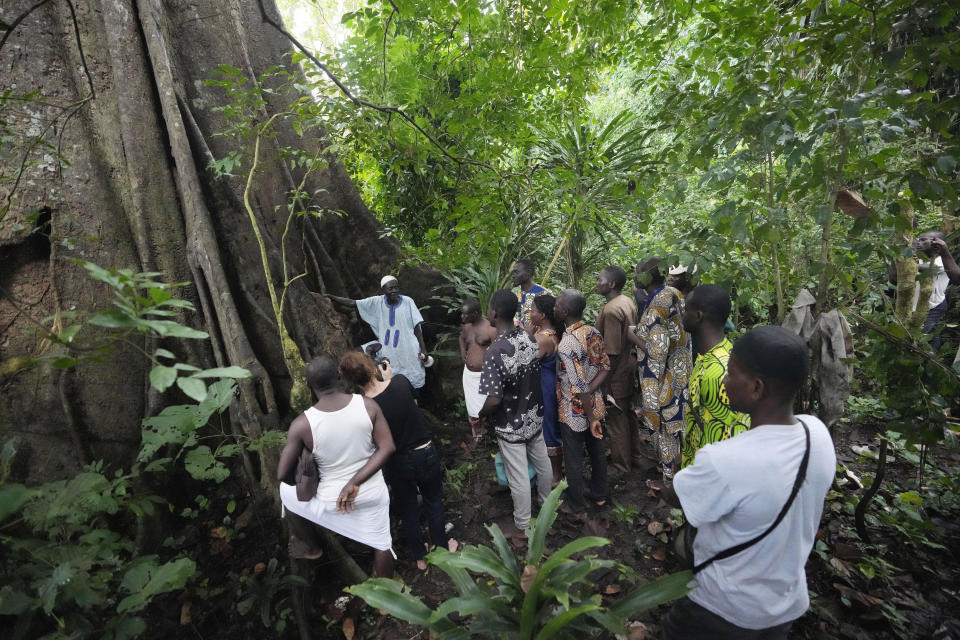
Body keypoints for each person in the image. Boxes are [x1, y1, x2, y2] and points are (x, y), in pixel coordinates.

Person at [662, 326, 836, 639]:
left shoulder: (724, 459)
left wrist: (674, 476)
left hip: (720, 611)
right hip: (783, 609)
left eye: (731, 373)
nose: (725, 381)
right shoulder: (817, 434)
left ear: (756, 387)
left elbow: (677, 495)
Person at [277, 356, 395, 579]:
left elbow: (282, 475)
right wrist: (354, 483)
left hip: (331, 500)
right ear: (339, 376)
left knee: (285, 493)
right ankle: (385, 598)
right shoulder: (368, 405)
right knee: (382, 542)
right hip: (370, 492)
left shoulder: (302, 424)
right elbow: (387, 447)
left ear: (309, 386)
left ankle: (312, 547)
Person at [338, 352, 457, 571]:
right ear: (372, 367)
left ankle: (420, 557)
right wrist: (389, 378)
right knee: (434, 501)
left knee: (408, 509)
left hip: (397, 461)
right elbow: (412, 405)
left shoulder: (363, 407)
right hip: (425, 451)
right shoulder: (401, 382)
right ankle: (441, 549)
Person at [479, 289, 553, 541]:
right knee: (542, 460)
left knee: (518, 474)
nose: (487, 311)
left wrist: (481, 414)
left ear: (495, 313)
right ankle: (547, 505)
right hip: (534, 414)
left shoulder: (495, 352)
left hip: (511, 423)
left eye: (488, 307)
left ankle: (523, 524)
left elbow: (494, 398)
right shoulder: (529, 337)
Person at [627, 257, 692, 483]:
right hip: (681, 372)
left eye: (638, 273)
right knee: (681, 432)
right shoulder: (674, 294)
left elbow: (656, 351)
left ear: (647, 276)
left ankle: (669, 486)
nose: (634, 277)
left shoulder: (657, 306)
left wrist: (632, 336)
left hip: (664, 381)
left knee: (667, 435)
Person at [680, 285, 750, 468]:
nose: (682, 313)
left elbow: (722, 440)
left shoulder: (720, 372)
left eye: (686, 309)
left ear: (698, 316)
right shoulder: (707, 356)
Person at [554, 289, 610, 518]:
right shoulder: (593, 332)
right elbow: (605, 366)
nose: (554, 308)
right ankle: (599, 494)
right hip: (595, 402)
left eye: (556, 305)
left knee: (574, 456)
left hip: (575, 410)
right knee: (597, 450)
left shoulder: (567, 344)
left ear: (565, 312)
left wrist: (589, 416)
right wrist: (593, 396)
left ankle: (576, 504)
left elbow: (576, 386)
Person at [325, 275, 429, 389]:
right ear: (383, 290)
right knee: (360, 355)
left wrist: (423, 349)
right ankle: (339, 375)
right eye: (390, 288)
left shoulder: (408, 301)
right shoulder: (377, 302)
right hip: (387, 347)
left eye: (396, 288)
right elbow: (353, 303)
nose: (394, 291)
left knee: (413, 377)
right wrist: (332, 297)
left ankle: (414, 399)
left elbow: (417, 326)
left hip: (408, 347)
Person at [594, 265, 640, 475]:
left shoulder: (612, 310)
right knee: (627, 413)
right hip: (628, 366)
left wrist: (605, 383)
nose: (597, 283)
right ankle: (634, 456)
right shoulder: (626, 301)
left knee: (616, 417)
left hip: (617, 371)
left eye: (600, 280)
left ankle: (621, 464)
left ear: (611, 284)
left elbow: (611, 350)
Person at [528, 294, 563, 485]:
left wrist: (526, 335)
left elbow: (523, 362)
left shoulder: (542, 338)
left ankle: (555, 475)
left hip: (544, 387)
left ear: (542, 315)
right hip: (548, 385)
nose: (529, 313)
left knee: (549, 430)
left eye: (532, 310)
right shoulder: (550, 332)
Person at [459, 298, 498, 446]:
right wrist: (463, 352)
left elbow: (499, 350)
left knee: (488, 407)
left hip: (485, 375)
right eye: (462, 314)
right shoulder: (467, 327)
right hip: (469, 375)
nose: (463, 318)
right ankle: (478, 436)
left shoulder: (490, 328)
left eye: (465, 315)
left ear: (475, 313)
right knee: (472, 407)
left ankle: (491, 438)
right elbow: (461, 338)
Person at [914, 231, 960, 350]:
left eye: (924, 240)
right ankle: (933, 359)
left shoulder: (942, 261)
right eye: (919, 240)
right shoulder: (919, 260)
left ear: (936, 243)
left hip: (933, 306)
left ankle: (929, 359)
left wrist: (909, 264)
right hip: (918, 306)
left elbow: (932, 268)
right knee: (931, 335)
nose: (919, 243)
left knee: (924, 335)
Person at [511, 258, 552, 329]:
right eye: (513, 272)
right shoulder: (514, 292)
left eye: (516, 272)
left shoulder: (544, 293)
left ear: (528, 272)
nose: (513, 275)